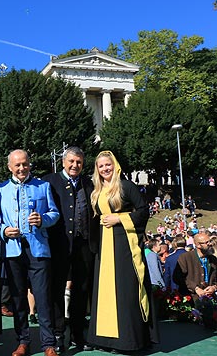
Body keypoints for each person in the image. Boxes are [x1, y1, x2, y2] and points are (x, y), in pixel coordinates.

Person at [87, 151, 158, 353]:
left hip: (125, 244)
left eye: (108, 165)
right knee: (105, 291)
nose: (105, 169)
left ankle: (128, 340)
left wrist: (119, 219)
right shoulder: (97, 190)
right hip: (104, 245)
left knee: (124, 289)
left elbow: (144, 210)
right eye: (101, 166)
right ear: (97, 169)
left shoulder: (126, 186)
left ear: (114, 165)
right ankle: (105, 339)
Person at [0, 149, 60, 356]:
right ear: (10, 167)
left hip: (39, 249)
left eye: (25, 164)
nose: (22, 168)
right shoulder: (0, 190)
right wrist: (4, 230)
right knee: (18, 299)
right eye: (17, 165)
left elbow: (54, 213)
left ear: (29, 164)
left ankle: (48, 344)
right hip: (13, 250)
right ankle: (23, 341)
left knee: (43, 298)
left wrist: (43, 220)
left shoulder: (43, 186)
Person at [42, 146, 96, 352]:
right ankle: (57, 333)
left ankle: (77, 333)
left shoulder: (89, 183)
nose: (75, 165)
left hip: (83, 245)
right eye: (71, 161)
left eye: (79, 162)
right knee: (56, 289)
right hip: (58, 245)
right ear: (64, 161)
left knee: (81, 291)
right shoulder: (49, 181)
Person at [173, 232, 217, 300]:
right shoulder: (185, 257)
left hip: (210, 300)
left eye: (210, 241)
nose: (210, 244)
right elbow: (177, 277)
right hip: (191, 299)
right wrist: (195, 288)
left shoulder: (213, 259)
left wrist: (214, 287)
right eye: (206, 242)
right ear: (198, 245)